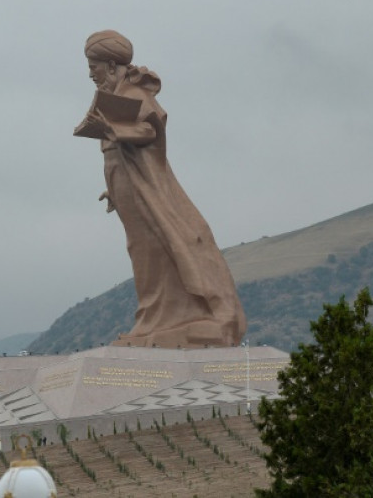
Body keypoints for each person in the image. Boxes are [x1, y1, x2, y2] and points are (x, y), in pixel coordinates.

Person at [76, 30, 246, 348]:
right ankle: (154, 318)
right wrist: (114, 188)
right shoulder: (116, 94)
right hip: (126, 183)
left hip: (144, 188)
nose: (90, 74)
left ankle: (167, 318)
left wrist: (110, 129)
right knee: (140, 250)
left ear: (111, 65)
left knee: (155, 249)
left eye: (93, 66)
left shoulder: (133, 93)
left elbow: (150, 130)